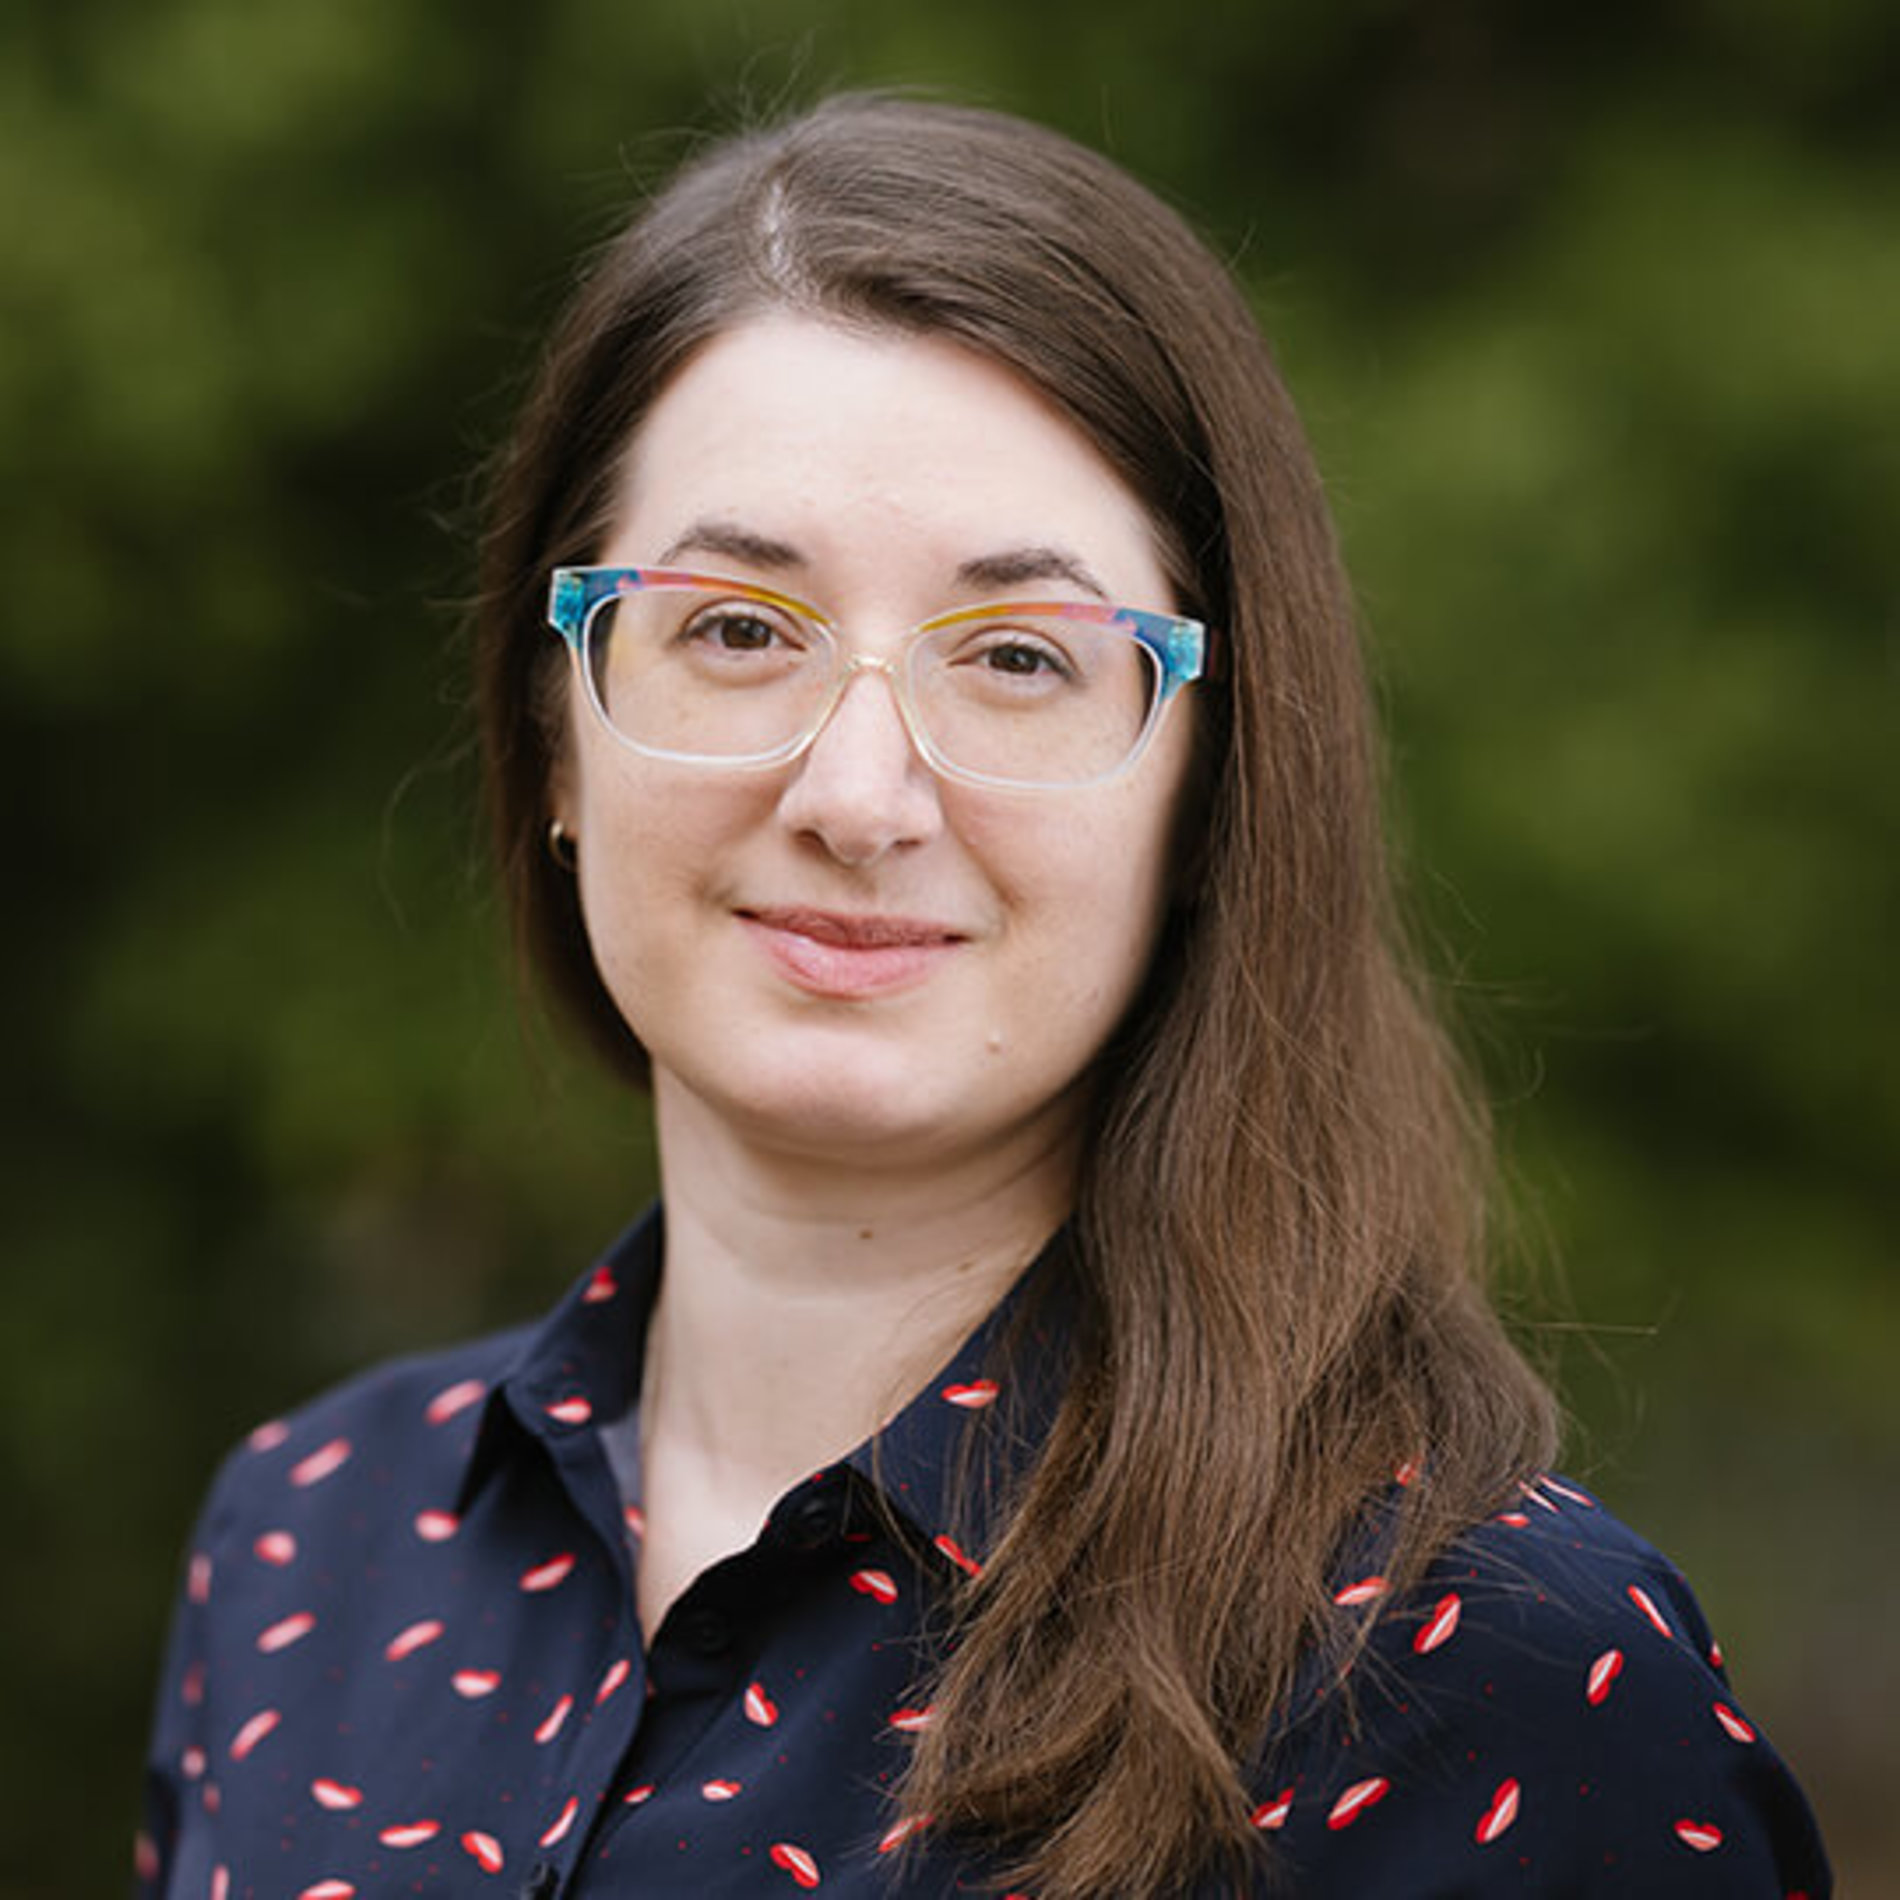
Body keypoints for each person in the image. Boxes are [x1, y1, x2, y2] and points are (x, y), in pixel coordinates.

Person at [135, 94, 1830, 1899]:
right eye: (736, 628)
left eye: (1020, 657)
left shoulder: (1489, 1683)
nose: (858, 798)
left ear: (1210, 792)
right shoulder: (309, 1541)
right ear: (558, 733)